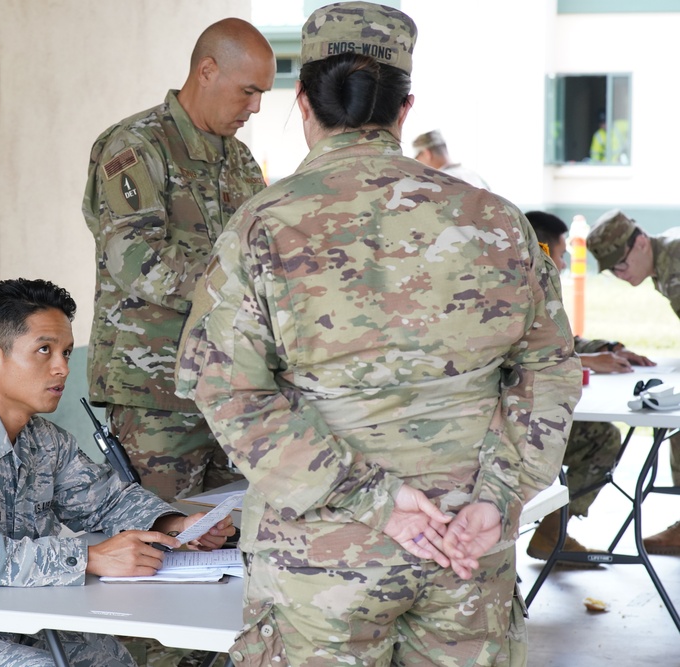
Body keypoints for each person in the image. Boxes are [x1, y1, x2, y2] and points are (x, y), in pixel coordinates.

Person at [176, 3, 581, 664]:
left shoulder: (262, 226)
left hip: (322, 559)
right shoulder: (498, 222)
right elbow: (552, 369)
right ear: (406, 106)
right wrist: (500, 496)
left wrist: (374, 499)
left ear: (303, 100)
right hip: (465, 544)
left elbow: (227, 390)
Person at [0, 278, 234, 667]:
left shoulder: (44, 440)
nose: (62, 367)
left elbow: (107, 500)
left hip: (7, 622)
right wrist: (87, 558)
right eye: (44, 350)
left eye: (66, 352)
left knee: (106, 657)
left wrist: (175, 525)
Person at [82, 18, 276, 504]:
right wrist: (239, 290)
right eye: (248, 91)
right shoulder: (137, 146)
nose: (255, 107)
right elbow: (134, 258)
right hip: (156, 394)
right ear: (207, 70)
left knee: (228, 532)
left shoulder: (241, 162)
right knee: (163, 537)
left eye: (263, 95)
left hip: (230, 386)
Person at [524, 210, 655, 564]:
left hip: (522, 419)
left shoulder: (530, 285)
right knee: (602, 438)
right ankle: (553, 531)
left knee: (600, 433)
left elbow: (559, 343)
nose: (564, 263)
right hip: (510, 428)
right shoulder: (512, 293)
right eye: (560, 253)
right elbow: (514, 360)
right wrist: (587, 362)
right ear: (540, 251)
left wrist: (607, 348)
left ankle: (554, 530)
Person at [588, 208, 680, 555]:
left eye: (621, 265)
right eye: (612, 270)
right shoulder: (667, 256)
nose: (619, 275)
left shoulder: (677, 260)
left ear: (641, 243)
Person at [412, 128, 490, 189]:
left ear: (427, 154)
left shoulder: (439, 180)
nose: (418, 162)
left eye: (418, 157)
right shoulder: (473, 175)